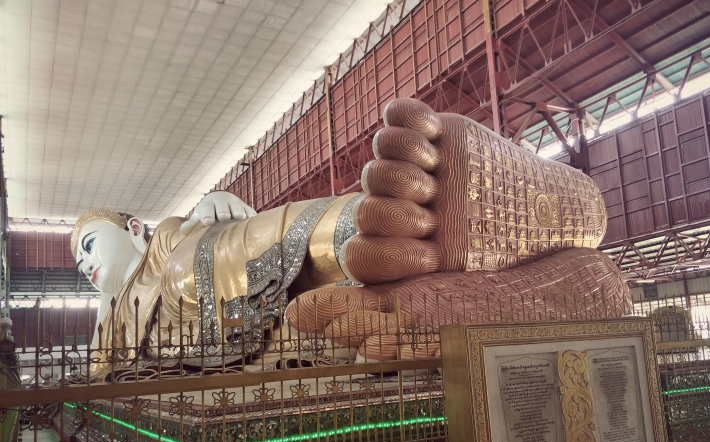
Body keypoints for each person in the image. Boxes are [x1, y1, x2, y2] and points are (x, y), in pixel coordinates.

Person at [73, 99, 628, 378]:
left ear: (133, 228)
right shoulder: (113, 319)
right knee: (310, 314)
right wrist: (108, 307)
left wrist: (207, 207)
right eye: (80, 266)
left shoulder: (164, 242)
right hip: (229, 337)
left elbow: (205, 234)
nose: (87, 266)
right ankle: (433, 276)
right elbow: (101, 371)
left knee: (200, 266)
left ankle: (402, 221)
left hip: (210, 274)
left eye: (90, 245)